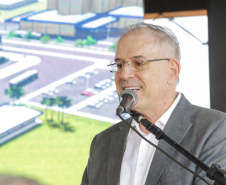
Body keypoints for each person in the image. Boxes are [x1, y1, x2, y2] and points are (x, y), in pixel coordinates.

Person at [81, 22, 226, 185]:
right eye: (120, 65)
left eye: (138, 63)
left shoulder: (216, 129)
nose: (124, 74)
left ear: (172, 72)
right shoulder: (102, 142)